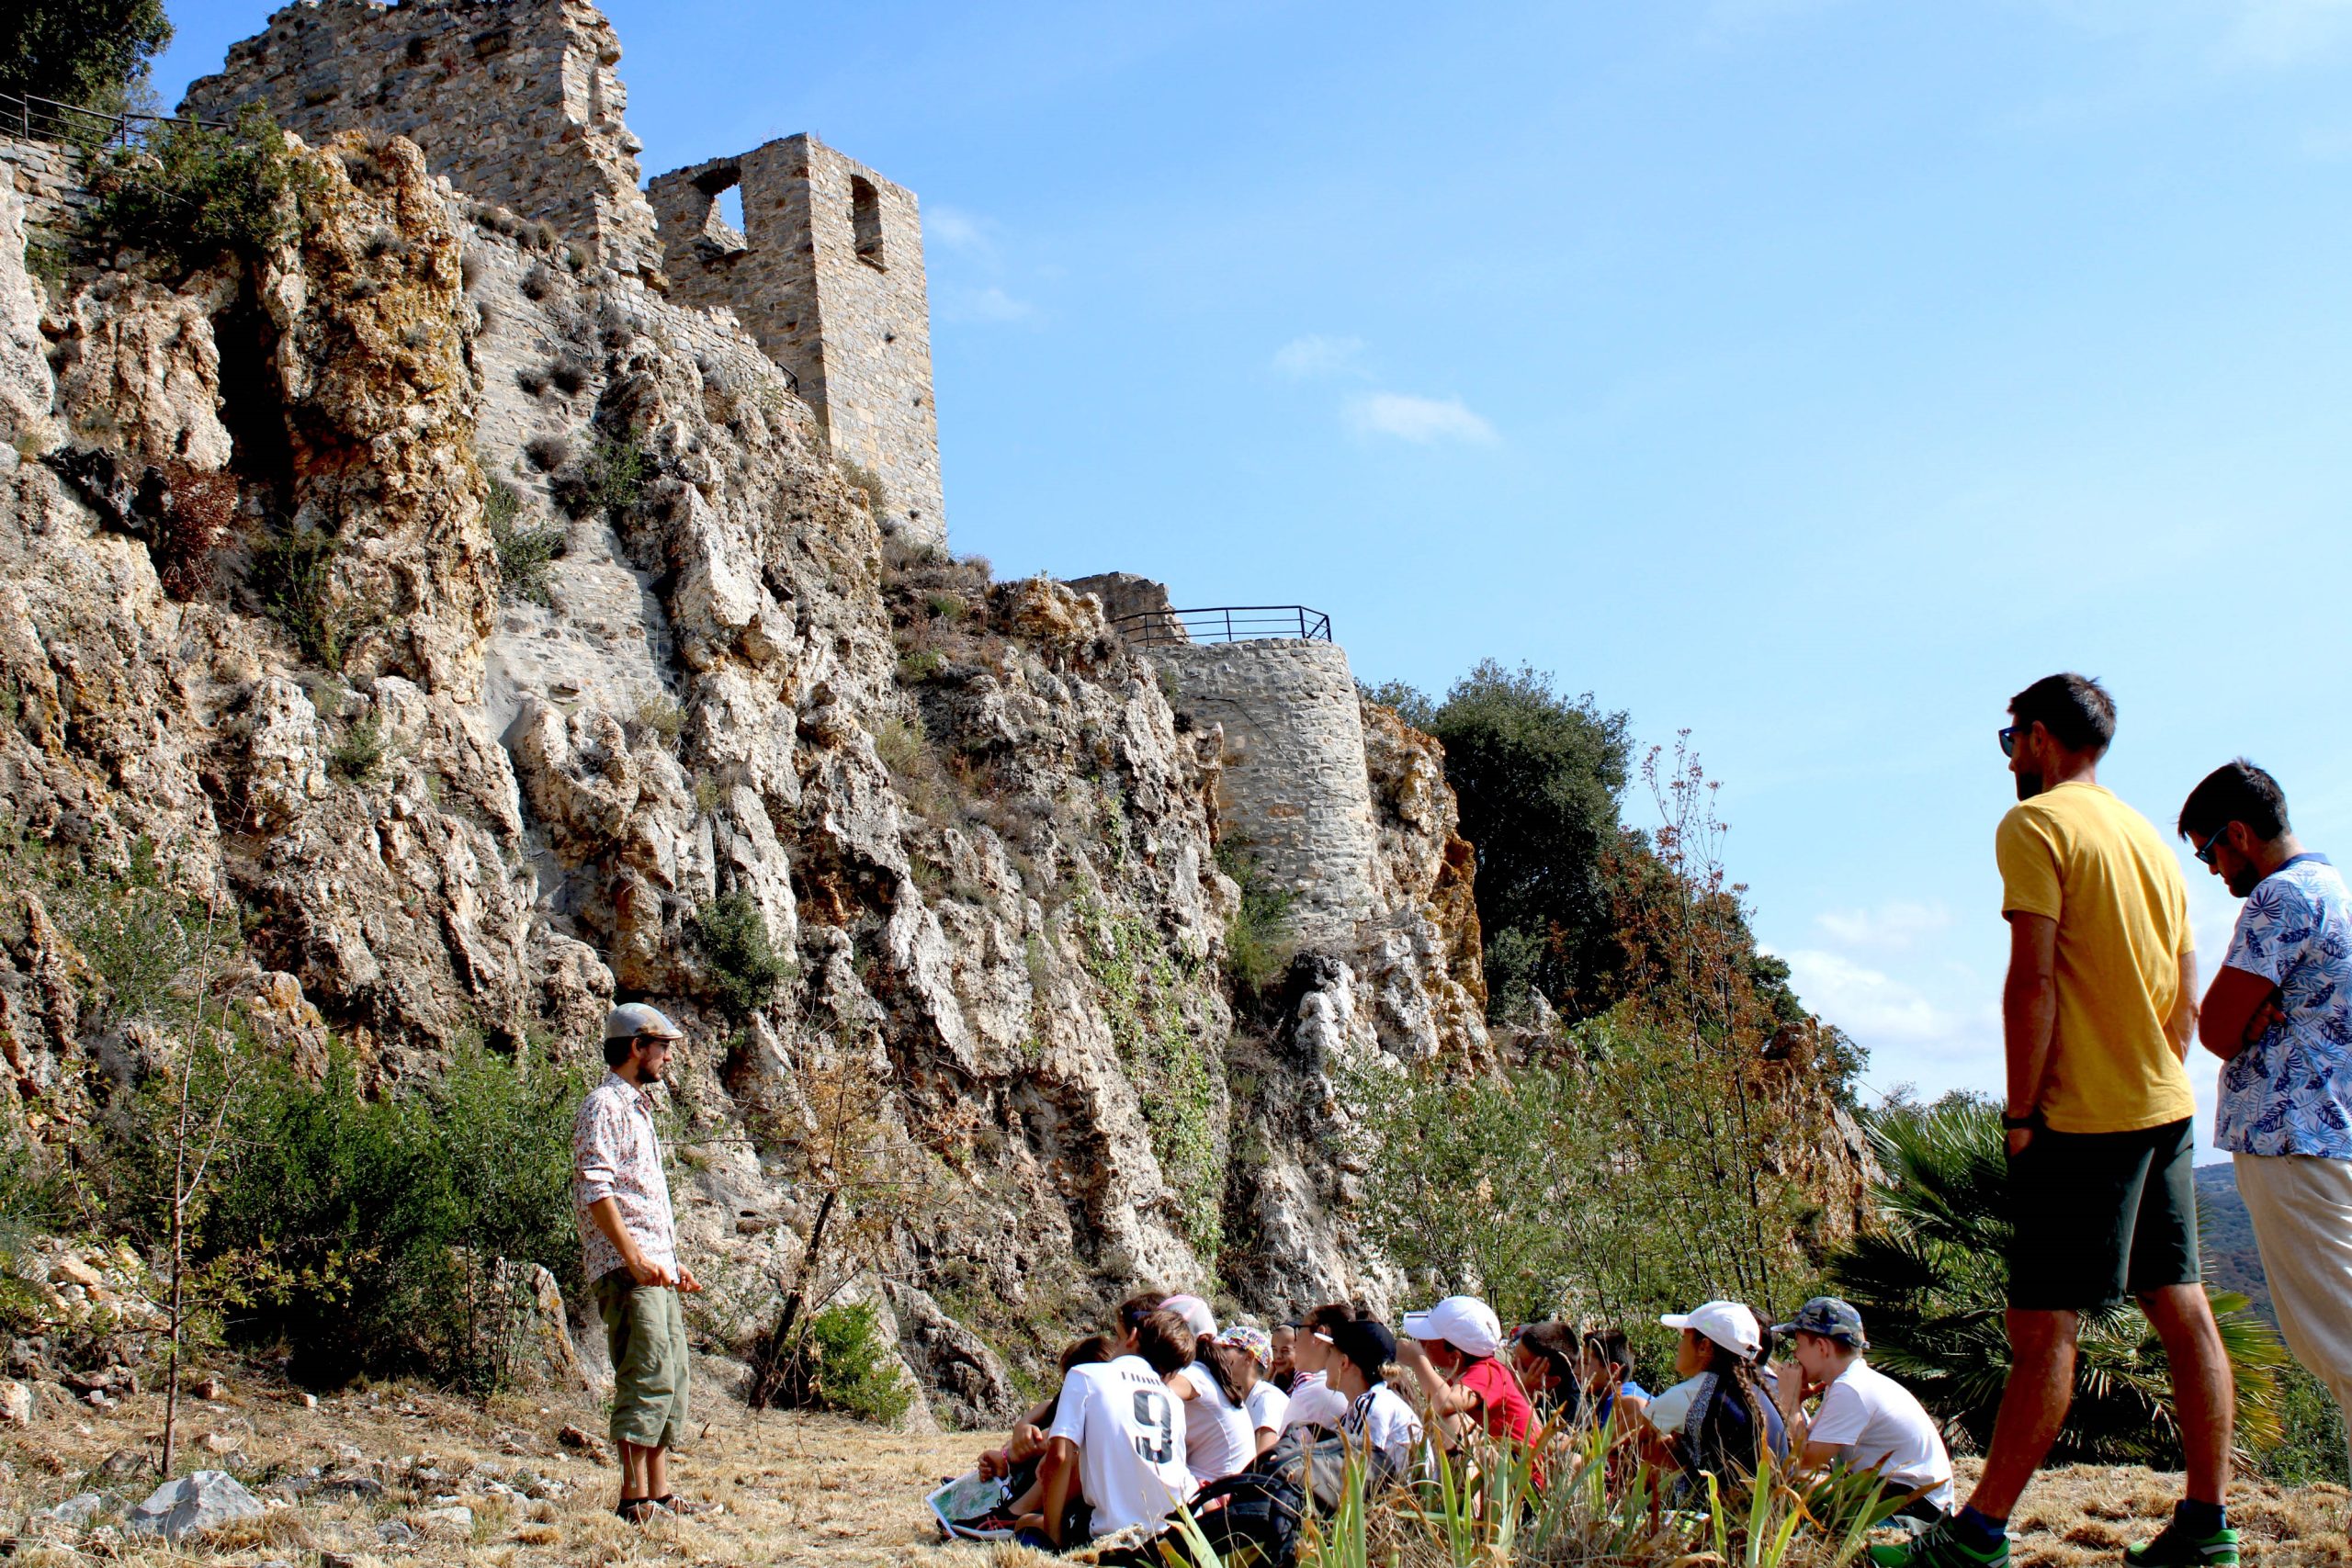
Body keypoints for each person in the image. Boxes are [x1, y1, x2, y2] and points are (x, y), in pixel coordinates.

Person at [1880, 674, 2234, 1568]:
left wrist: (2021, 1112)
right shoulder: (2150, 839)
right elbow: (2182, 994)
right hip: (2164, 1106)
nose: (2011, 760)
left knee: (2041, 1329)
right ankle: (2206, 1527)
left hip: (2081, 1118)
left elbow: (2031, 979)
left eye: (2011, 742)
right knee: (2181, 1310)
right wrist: (2157, 1074)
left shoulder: (2035, 826)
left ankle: (1979, 1537)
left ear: (2038, 738)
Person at [2179, 761, 2352, 1485]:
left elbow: (2215, 1025)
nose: (2213, 868)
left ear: (2241, 833)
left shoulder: (2279, 898)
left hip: (2292, 1142)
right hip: (2328, 1134)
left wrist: (2245, 1012)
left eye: (2211, 849)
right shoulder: (2331, 886)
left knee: (2335, 1337)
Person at [573, 1003, 704, 1525]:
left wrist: (672, 1263)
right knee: (645, 1375)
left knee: (670, 1378)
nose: (668, 1056)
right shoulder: (604, 1105)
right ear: (636, 1048)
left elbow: (640, 1200)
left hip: (655, 1270)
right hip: (630, 1271)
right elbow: (595, 1188)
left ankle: (660, 1495)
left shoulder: (637, 1109)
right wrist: (632, 1257)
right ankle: (634, 1501)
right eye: (662, 1046)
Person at [1027, 1305, 1199, 1548]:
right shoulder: (1172, 1400)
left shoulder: (1085, 1375)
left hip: (1114, 1538)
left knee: (1026, 1525)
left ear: (1131, 1337)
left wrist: (1052, 1538)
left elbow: (1061, 1456)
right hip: (1170, 1538)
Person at [1770, 1298, 1953, 1521]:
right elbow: (1813, 1446)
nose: (1795, 1355)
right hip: (1909, 1499)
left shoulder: (1850, 1388)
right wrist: (1797, 1402)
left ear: (1821, 1347)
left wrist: (1790, 1403)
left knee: (1804, 1484)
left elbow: (1808, 1461)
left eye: (1799, 1345)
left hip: (1912, 1509)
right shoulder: (1848, 1383)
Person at [1640, 1301, 1787, 1498]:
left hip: (1712, 1519)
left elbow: (1634, 1447)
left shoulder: (1689, 1393)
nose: (1678, 1345)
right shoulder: (1757, 1390)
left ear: (1704, 1346)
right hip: (1762, 1517)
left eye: (1684, 1336)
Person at [1397, 1295, 1536, 1450]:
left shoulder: (1489, 1371)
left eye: (1428, 1339)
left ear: (1454, 1357)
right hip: (1501, 1462)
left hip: (1518, 1469)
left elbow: (1446, 1404)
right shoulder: (1463, 1376)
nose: (1420, 1341)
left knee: (1450, 1420)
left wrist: (1418, 1360)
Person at [1326, 1317, 1424, 1480]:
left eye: (1330, 1354)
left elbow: (1358, 1473)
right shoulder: (1368, 1403)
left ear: (1344, 1363)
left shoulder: (1372, 1405)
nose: (1326, 1362)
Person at [1170, 1331, 1258, 1482]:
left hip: (1218, 1493)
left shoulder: (1197, 1375)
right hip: (1230, 1488)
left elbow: (1157, 1386)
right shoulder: (1213, 1378)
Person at [1278, 1302, 1357, 1433]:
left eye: (1299, 1329)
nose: (1294, 1341)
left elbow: (1280, 1451)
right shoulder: (1348, 1384)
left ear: (1319, 1333)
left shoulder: (1312, 1394)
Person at [1216, 1325, 1291, 1456]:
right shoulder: (1247, 1399)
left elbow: (1262, 1461)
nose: (1218, 1354)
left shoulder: (1266, 1399)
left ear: (1249, 1357)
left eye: (1226, 1348)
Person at [1510, 1322, 1583, 1426]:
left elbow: (1539, 1439)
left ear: (1551, 1381)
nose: (1511, 1367)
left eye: (1522, 1367)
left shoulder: (1574, 1410)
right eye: (1513, 1357)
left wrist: (1522, 1395)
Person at [1579, 1328, 1650, 1431]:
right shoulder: (1608, 1401)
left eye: (1585, 1363)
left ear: (1612, 1371)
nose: (1576, 1370)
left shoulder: (1625, 1402)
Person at [1270, 1323, 1300, 1394]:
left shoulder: (1304, 1383)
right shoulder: (1273, 1378)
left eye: (1285, 1351)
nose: (1278, 1356)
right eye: (1274, 1349)